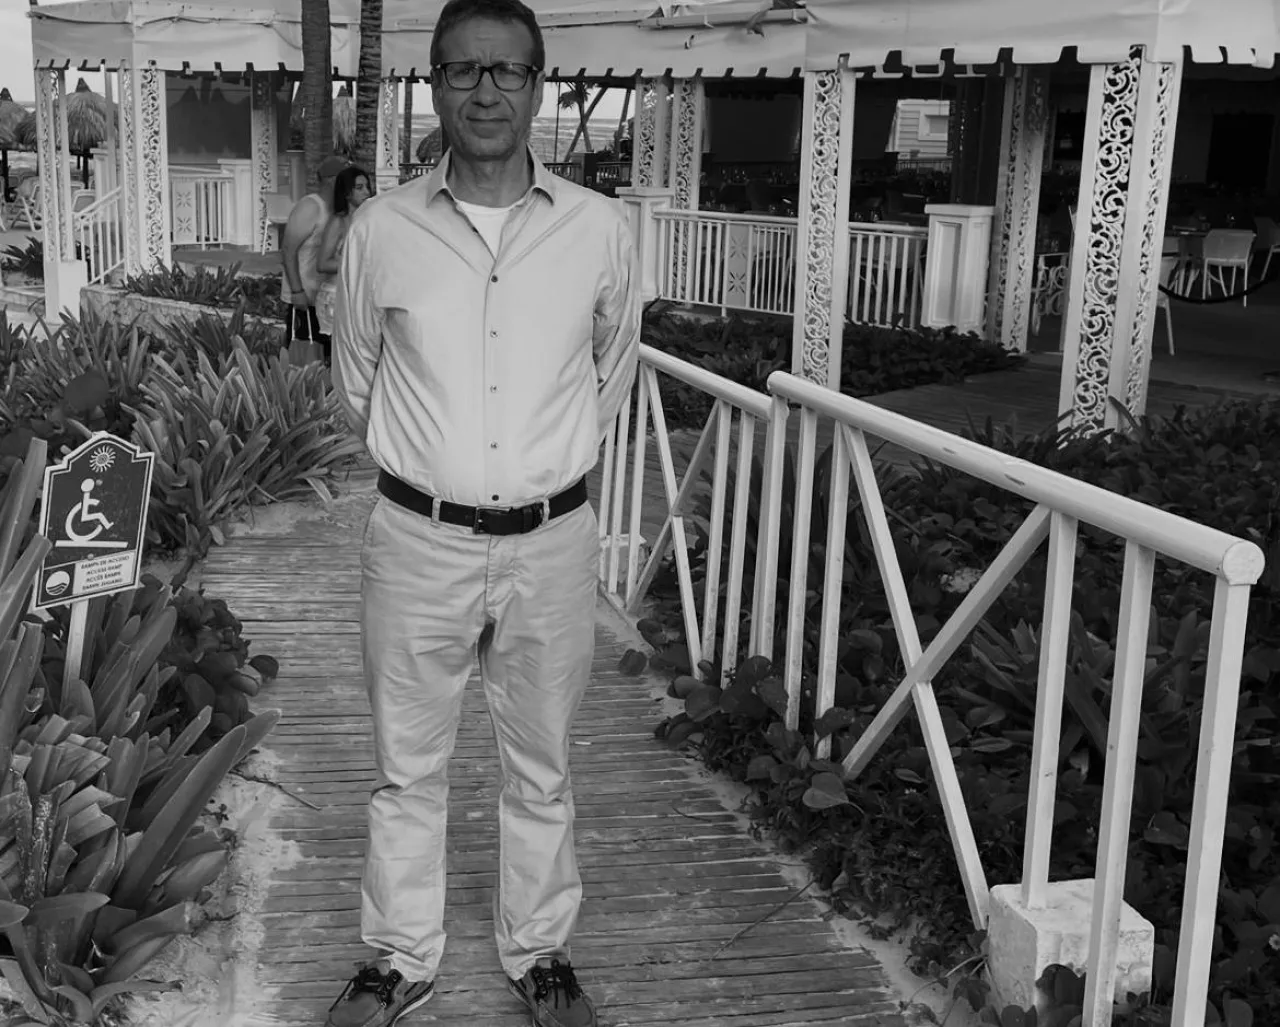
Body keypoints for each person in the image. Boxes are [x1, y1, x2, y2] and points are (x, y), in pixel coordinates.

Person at [326, 0, 640, 1023]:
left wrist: (537, 466)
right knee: (404, 767)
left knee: (541, 765)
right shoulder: (382, 231)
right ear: (434, 84)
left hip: (552, 542)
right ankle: (399, 956)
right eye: (463, 70)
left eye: (507, 70)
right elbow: (358, 379)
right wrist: (443, 465)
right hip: (416, 539)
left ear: (538, 85)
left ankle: (539, 951)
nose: (486, 90)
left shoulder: (600, 230)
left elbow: (610, 372)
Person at [281, 154, 347, 365]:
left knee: (327, 358)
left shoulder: (338, 211)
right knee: (304, 357)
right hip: (305, 297)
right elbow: (288, 251)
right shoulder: (311, 206)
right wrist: (296, 292)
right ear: (331, 180)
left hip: (326, 299)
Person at [315, 166, 372, 339]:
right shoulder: (338, 222)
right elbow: (322, 264)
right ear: (347, 193)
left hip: (358, 297)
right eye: (359, 188)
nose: (367, 192)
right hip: (335, 296)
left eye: (367, 187)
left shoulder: (367, 220)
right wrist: (356, 263)